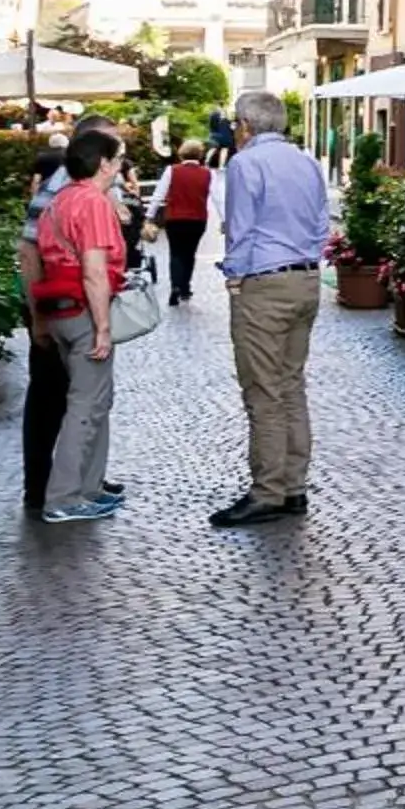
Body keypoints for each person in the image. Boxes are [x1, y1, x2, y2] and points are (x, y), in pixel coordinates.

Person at [212, 89, 329, 528]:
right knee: (291, 384)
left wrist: (235, 277)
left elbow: (240, 229)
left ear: (245, 124)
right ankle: (293, 486)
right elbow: (322, 222)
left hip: (265, 282)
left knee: (262, 391)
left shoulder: (245, 163)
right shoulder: (306, 160)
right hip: (306, 279)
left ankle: (268, 492)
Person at [32, 128, 126, 525]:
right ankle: (65, 497)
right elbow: (93, 270)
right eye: (118, 158)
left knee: (94, 401)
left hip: (59, 312)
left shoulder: (60, 200)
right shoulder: (92, 201)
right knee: (86, 406)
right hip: (83, 312)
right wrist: (103, 328)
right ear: (102, 163)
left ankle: (88, 489)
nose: (121, 165)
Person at [15, 130, 68, 515]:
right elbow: (28, 251)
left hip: (63, 305)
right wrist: (37, 318)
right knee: (49, 396)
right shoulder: (57, 190)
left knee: (74, 398)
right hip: (53, 306)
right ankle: (40, 483)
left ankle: (72, 477)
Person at [148, 140, 213, 307]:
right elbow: (218, 198)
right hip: (198, 220)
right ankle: (185, 286)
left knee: (175, 253)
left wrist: (149, 216)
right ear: (200, 154)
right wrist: (226, 220)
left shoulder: (172, 171)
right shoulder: (207, 173)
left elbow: (159, 194)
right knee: (189, 254)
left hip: (175, 219)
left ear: (181, 153)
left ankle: (175, 287)